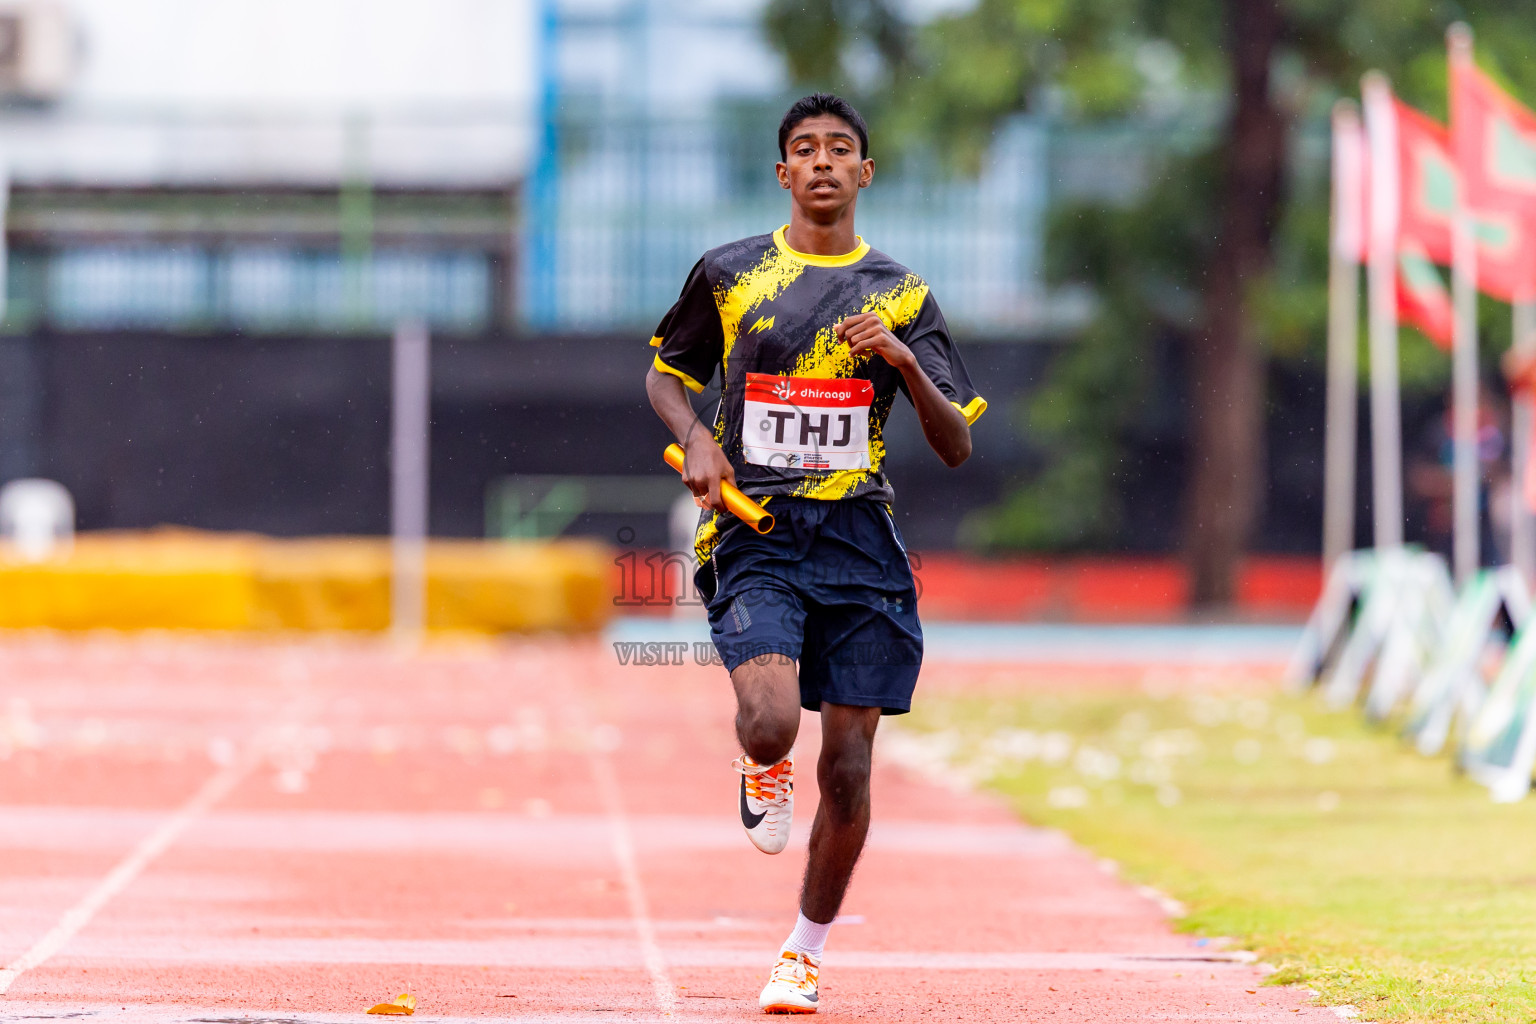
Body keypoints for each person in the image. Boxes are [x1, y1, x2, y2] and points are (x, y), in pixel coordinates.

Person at [643, 93, 986, 1014]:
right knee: (767, 722)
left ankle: (802, 953)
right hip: (758, 534)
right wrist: (701, 438)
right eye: (806, 149)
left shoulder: (903, 294)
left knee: (851, 769)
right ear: (785, 173)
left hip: (862, 546)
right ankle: (763, 764)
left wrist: (905, 364)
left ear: (864, 174)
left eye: (841, 149)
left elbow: (955, 445)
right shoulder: (729, 273)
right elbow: (666, 375)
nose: (824, 161)